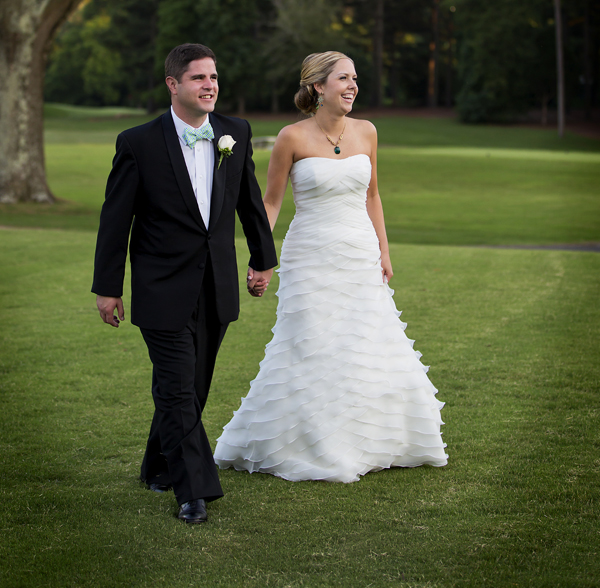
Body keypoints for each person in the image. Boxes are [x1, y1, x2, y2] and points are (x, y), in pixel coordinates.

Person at [214, 51, 447, 481]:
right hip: (309, 257)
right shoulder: (291, 137)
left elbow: (373, 195)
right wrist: (260, 256)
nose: (353, 85)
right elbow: (271, 201)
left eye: (355, 78)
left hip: (360, 254)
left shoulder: (368, 132)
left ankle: (375, 441)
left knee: (365, 345)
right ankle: (303, 443)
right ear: (318, 86)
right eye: (344, 78)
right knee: (309, 344)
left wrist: (385, 250)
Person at [92, 43, 277, 523]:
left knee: (190, 389)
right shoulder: (138, 142)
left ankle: (157, 465)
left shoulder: (235, 133)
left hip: (216, 284)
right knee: (177, 388)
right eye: (198, 78)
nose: (210, 85)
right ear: (173, 84)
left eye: (213, 77)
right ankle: (192, 490)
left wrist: (263, 260)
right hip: (160, 286)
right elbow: (116, 221)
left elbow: (249, 202)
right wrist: (107, 287)